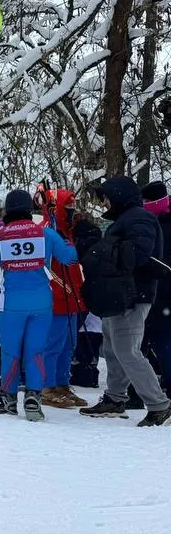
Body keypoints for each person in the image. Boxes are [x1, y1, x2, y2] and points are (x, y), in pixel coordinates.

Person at [0, 189, 78, 421]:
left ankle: (8, 399)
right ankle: (34, 398)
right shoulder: (45, 233)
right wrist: (67, 239)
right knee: (36, 351)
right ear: (29, 209)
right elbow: (70, 258)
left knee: (10, 352)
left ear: (8, 209)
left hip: (11, 305)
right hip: (42, 304)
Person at [75, 176, 171, 426]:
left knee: (128, 351)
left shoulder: (140, 218)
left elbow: (137, 255)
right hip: (118, 294)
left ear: (118, 195)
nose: (104, 203)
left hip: (133, 294)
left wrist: (97, 247)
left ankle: (160, 405)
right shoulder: (126, 219)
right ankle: (115, 398)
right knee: (113, 349)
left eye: (106, 197)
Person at [38, 188, 89, 409]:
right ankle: (47, 387)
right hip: (56, 296)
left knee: (69, 344)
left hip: (72, 297)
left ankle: (62, 384)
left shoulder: (68, 231)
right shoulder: (46, 231)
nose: (72, 212)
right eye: (67, 208)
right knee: (53, 344)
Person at [140, 181, 171, 396]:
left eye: (147, 202)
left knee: (162, 339)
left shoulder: (162, 226)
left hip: (163, 292)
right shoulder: (155, 222)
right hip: (156, 290)